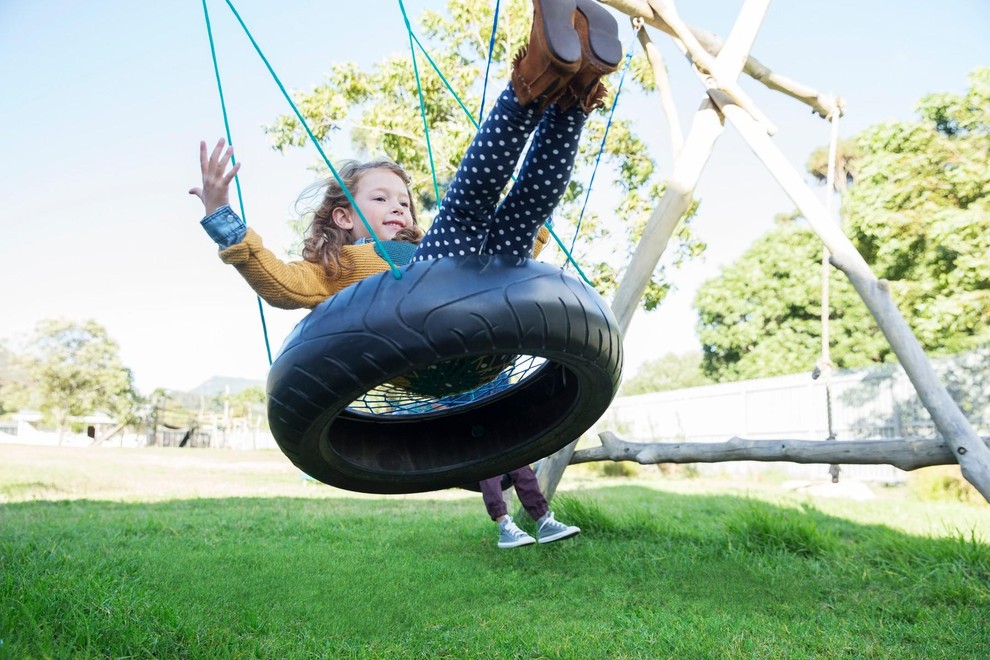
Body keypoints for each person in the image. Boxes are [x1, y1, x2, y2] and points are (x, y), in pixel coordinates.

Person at [189, 0, 621, 548]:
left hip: (490, 345)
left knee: (518, 212)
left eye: (405, 200)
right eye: (381, 198)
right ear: (344, 214)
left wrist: (530, 248)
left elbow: (512, 251)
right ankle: (540, 77)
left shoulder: (428, 247)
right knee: (466, 210)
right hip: (427, 359)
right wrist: (222, 217)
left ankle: (574, 87)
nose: (401, 208)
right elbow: (278, 283)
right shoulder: (339, 267)